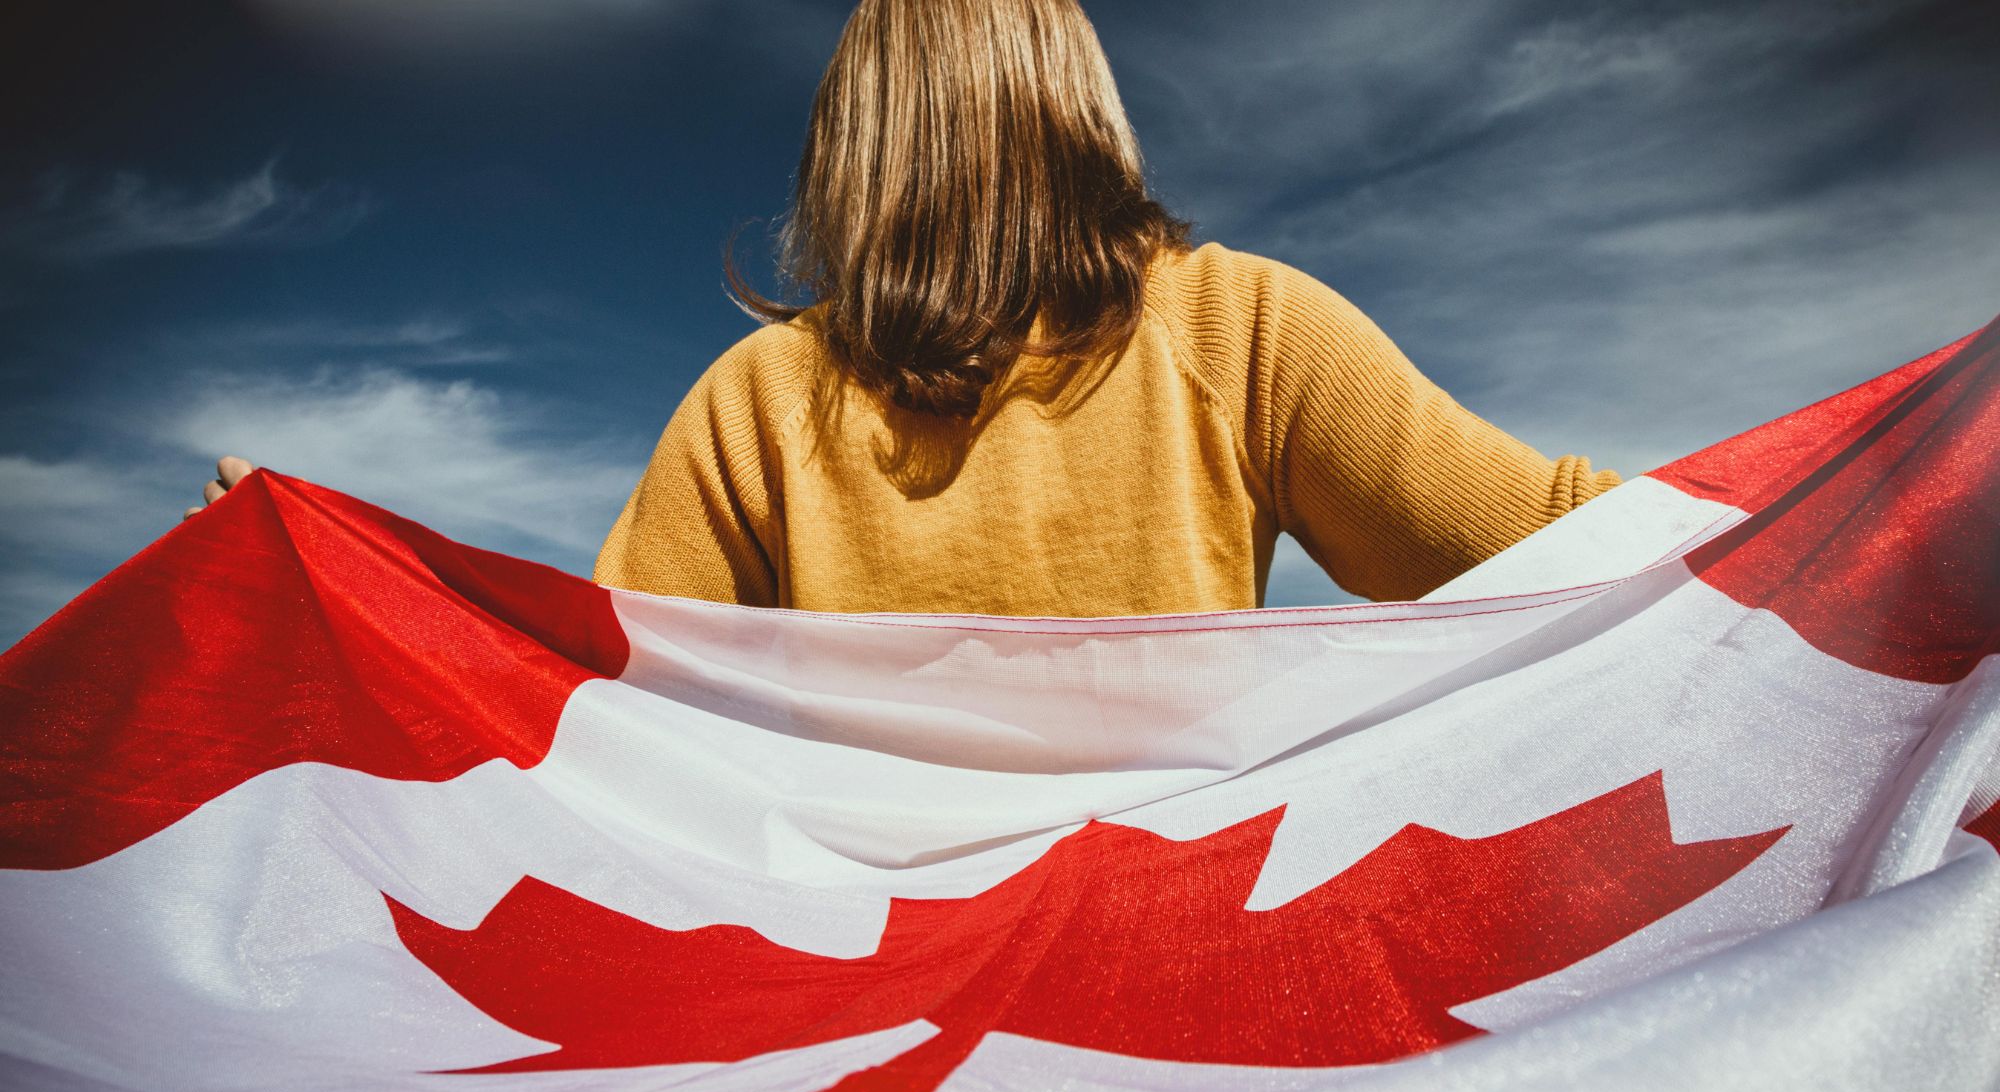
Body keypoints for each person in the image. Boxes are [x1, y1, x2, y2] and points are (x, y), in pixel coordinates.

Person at [189, 0, 1620, 613]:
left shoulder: (756, 402)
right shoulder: (1243, 330)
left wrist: (343, 574)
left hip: (852, 1021)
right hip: (1180, 1005)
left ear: (855, 138)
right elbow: (1549, 535)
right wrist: (1836, 488)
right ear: (1082, 103)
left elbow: (577, 691)